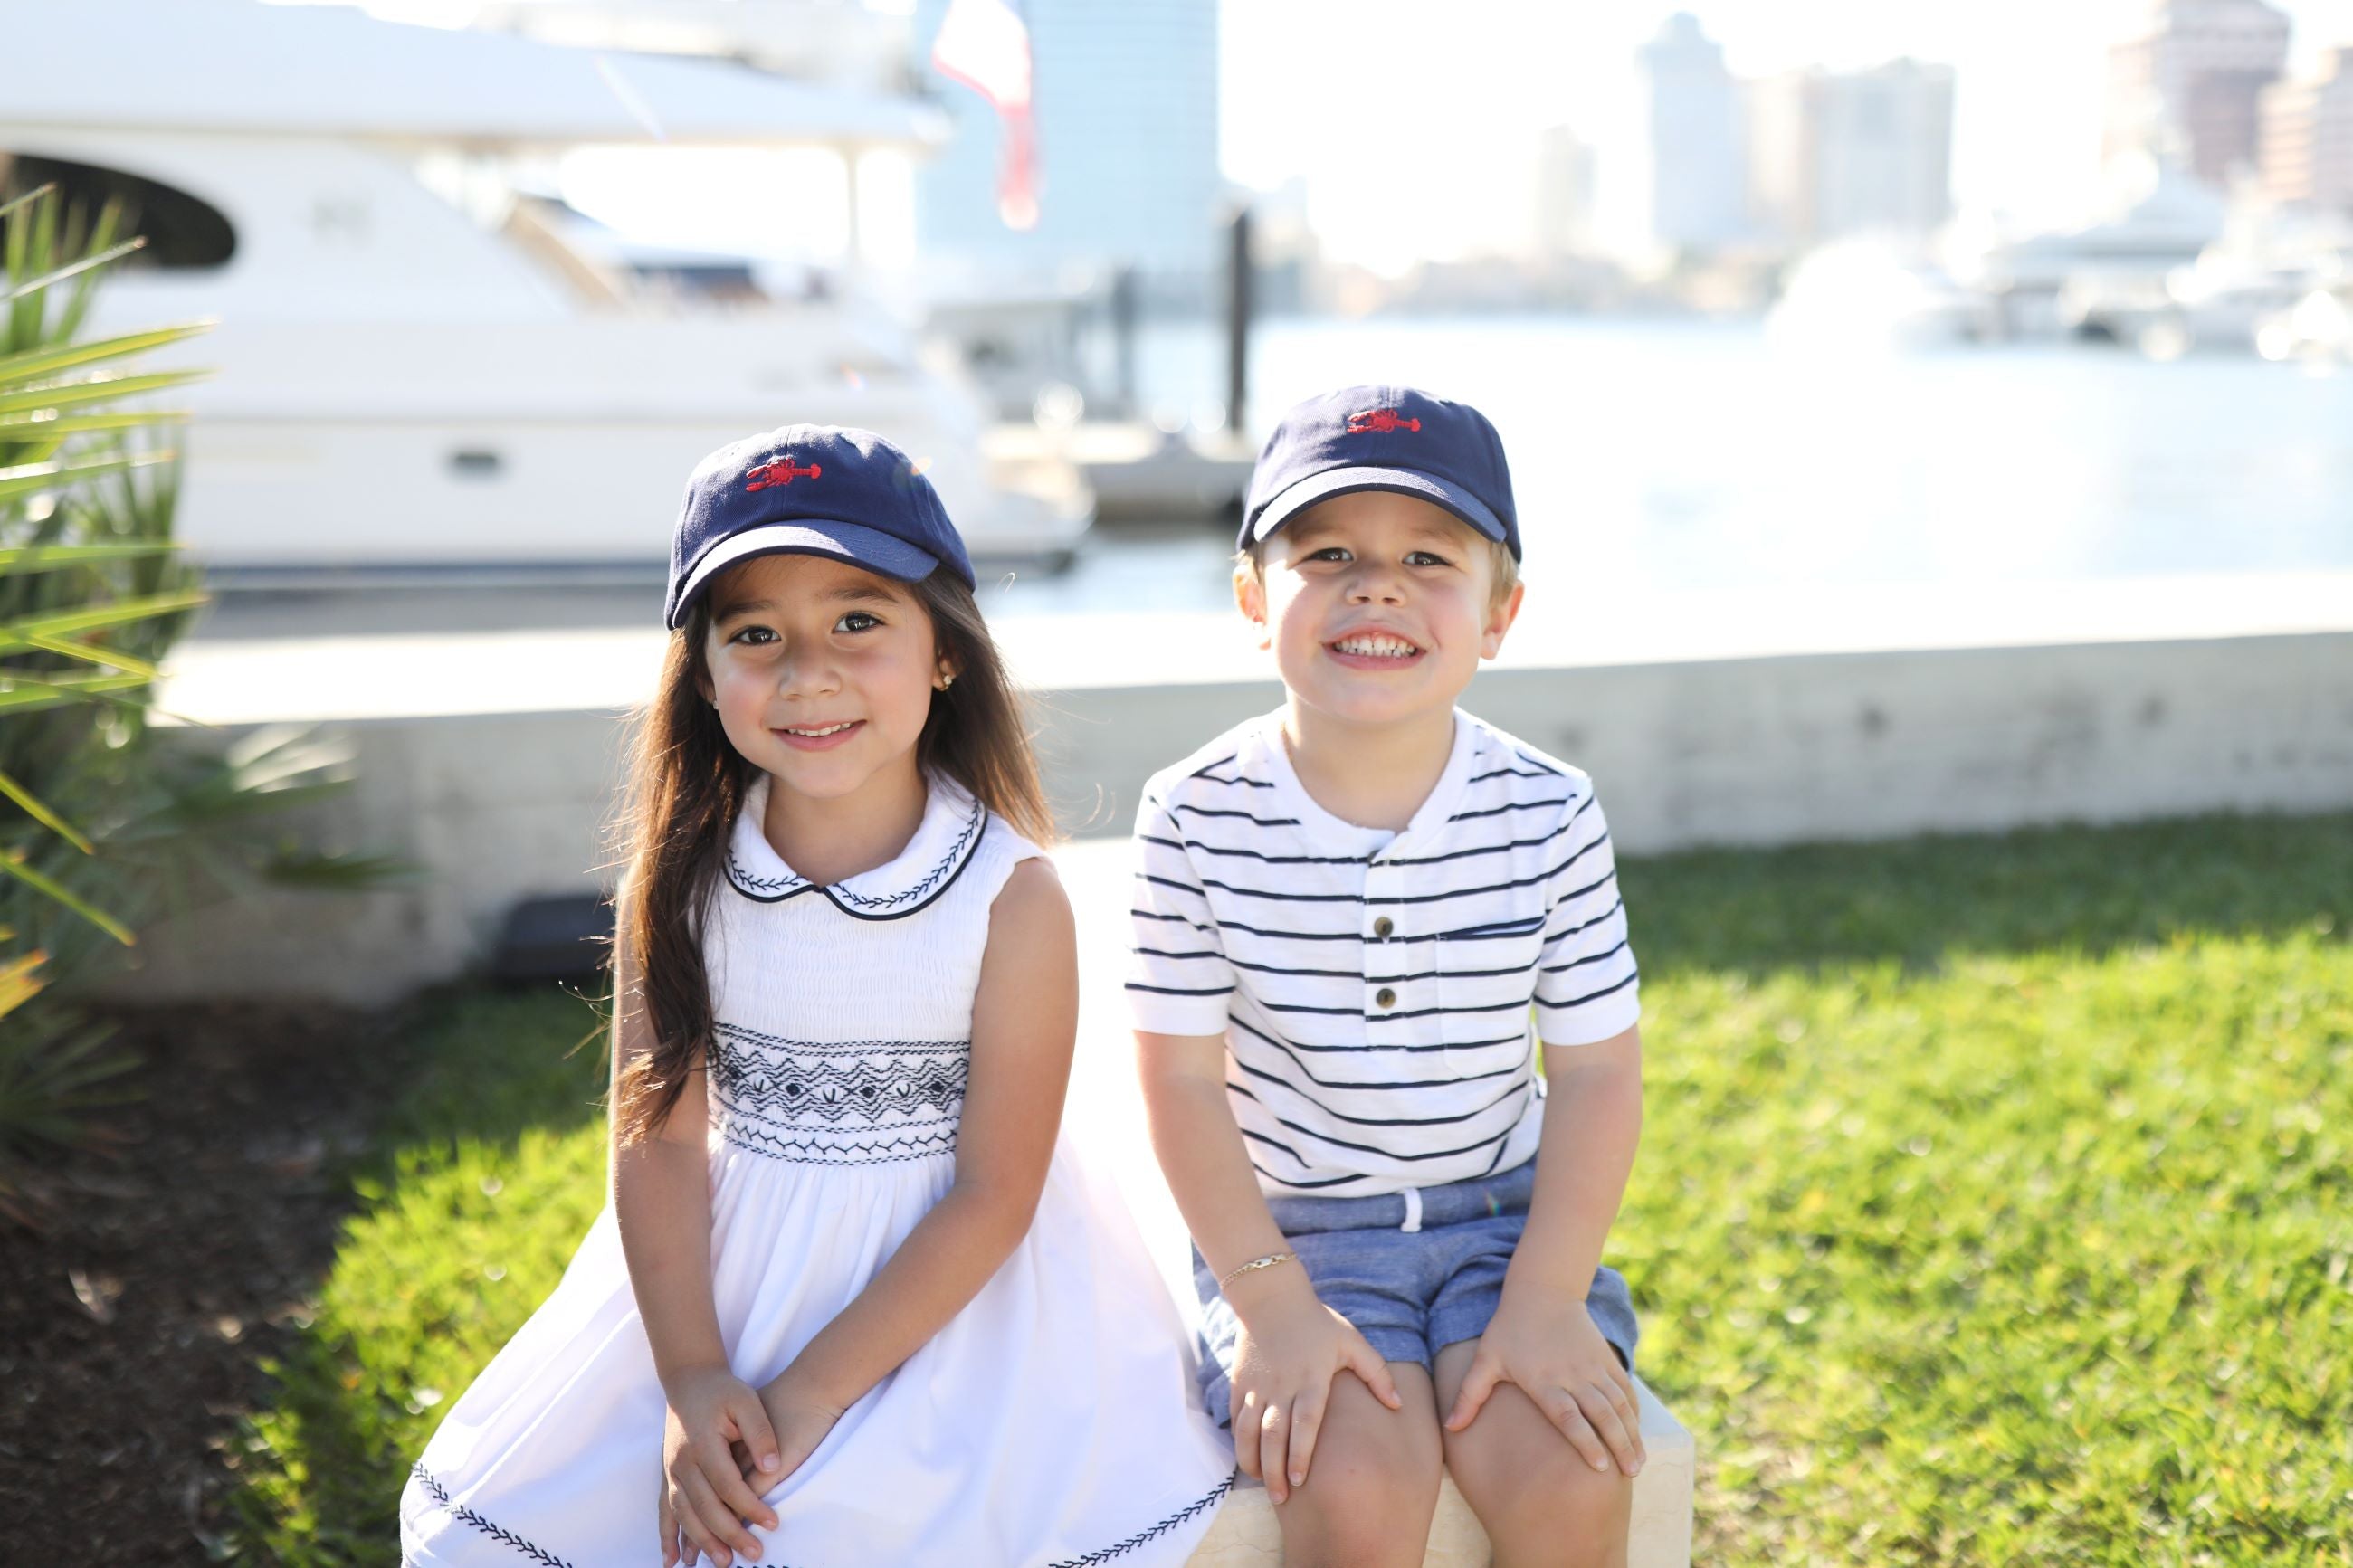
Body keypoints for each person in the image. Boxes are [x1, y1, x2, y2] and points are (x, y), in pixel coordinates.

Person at [403, 425, 1233, 1568]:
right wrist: (694, 1377)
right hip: (716, 1292)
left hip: (957, 1309)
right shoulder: (678, 882)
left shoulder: (1010, 894)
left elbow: (994, 1190)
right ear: (704, 674)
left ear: (944, 650)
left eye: (857, 621)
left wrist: (806, 1396)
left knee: (829, 1529)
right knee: (494, 1535)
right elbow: (657, 1140)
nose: (807, 672)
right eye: (756, 634)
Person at [1128, 386, 1650, 1568]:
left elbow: (1597, 1073)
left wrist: (1547, 1299)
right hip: (1298, 1239)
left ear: (1499, 613)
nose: (1377, 587)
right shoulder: (1196, 811)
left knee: (1571, 1477)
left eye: (1428, 557)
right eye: (1329, 555)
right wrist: (1270, 1305)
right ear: (1253, 600)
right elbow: (1179, 1082)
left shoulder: (1550, 809)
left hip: (1503, 1226)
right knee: (1354, 1485)